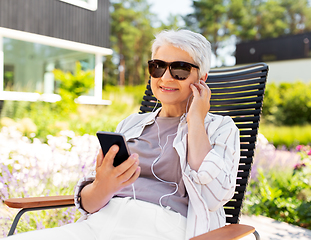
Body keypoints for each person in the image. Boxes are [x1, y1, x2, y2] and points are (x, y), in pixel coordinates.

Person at [7, 29, 240, 240]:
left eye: (180, 69)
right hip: (99, 224)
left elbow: (214, 197)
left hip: (164, 229)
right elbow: (89, 203)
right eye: (158, 66)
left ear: (202, 79)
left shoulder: (220, 128)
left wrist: (196, 120)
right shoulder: (130, 124)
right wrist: (103, 186)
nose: (166, 77)